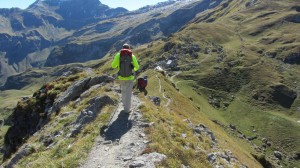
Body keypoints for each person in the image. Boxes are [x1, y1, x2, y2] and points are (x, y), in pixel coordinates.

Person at [111, 43, 139, 113]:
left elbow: (113, 66)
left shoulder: (118, 55)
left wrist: (118, 65)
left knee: (123, 91)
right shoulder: (132, 56)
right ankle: (127, 110)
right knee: (128, 93)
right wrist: (133, 68)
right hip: (130, 78)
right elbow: (137, 67)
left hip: (121, 77)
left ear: (122, 48)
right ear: (129, 49)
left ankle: (124, 104)